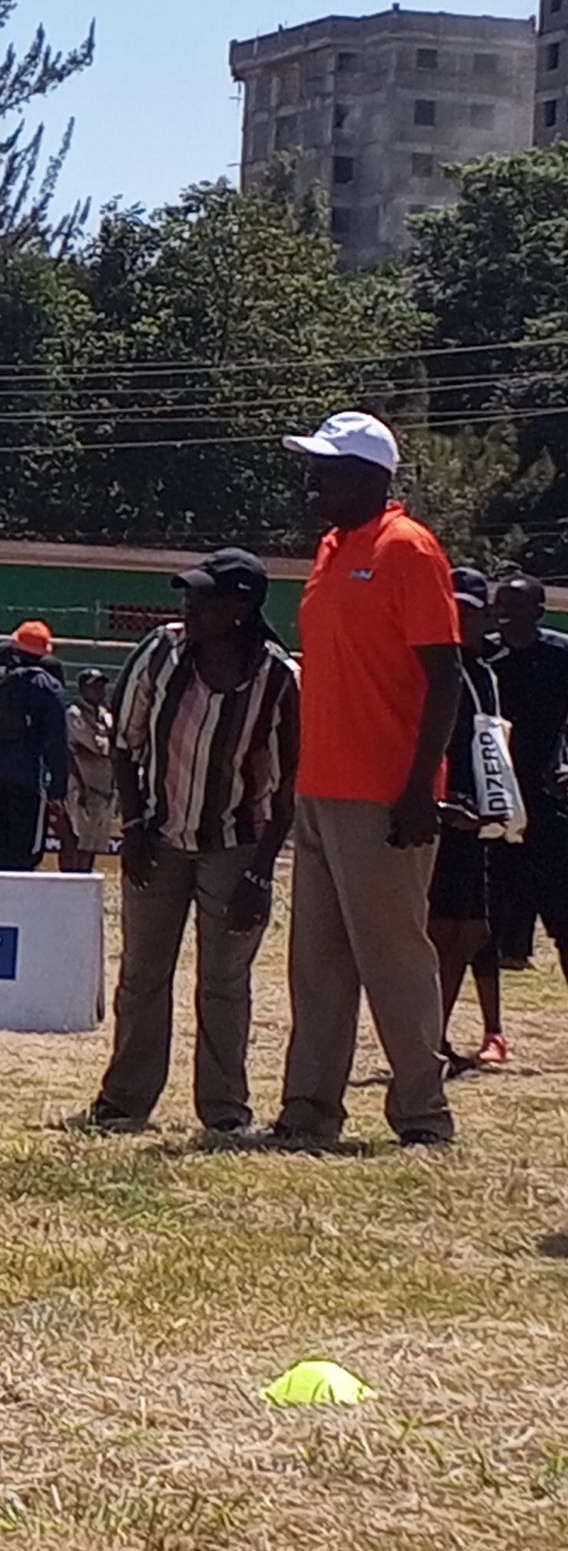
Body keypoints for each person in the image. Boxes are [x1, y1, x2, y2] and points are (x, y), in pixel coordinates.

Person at [270, 411, 463, 1149]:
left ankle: (422, 1114)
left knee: (394, 958)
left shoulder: (408, 549)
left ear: (373, 478)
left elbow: (444, 676)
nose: (313, 480)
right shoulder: (330, 548)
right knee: (316, 963)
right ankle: (308, 1112)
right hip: (321, 785)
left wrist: (420, 787)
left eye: (328, 468)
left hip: (385, 792)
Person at [77, 548, 300, 1136]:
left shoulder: (278, 679)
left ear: (242, 607)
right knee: (143, 976)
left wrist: (259, 873)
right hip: (158, 838)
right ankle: (124, 1102)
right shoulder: (161, 651)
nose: (189, 606)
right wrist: (134, 825)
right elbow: (125, 743)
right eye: (188, 595)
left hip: (235, 845)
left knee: (225, 984)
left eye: (204, 597)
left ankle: (225, 1111)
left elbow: (284, 788)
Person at [429, 568, 512, 1069]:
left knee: (469, 929)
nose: (461, 619)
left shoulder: (483, 672)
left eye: (470, 610)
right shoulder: (432, 666)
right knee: (439, 926)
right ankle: (424, 1037)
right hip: (440, 809)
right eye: (452, 608)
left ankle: (437, 1033)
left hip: (480, 812)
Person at [487, 571, 568, 994]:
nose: (504, 614)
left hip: (546, 793)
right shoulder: (485, 659)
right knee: (487, 906)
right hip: (493, 793)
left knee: (561, 901)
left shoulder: (560, 656)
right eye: (499, 605)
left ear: (539, 610)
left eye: (515, 605)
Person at [0, 622, 69, 872]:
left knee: (1, 847)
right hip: (30, 775)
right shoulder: (46, 686)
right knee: (27, 851)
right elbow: (57, 741)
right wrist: (57, 789)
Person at [60, 668, 117, 875]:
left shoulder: (107, 714)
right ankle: (73, 885)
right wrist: (109, 743)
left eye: (101, 685)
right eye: (93, 685)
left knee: (94, 845)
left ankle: (85, 880)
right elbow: (98, 746)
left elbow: (121, 744)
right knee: (78, 842)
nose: (99, 690)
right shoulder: (74, 713)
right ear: (82, 688)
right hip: (83, 785)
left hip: (105, 787)